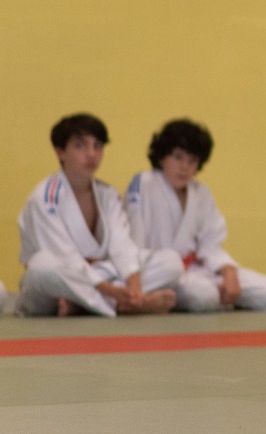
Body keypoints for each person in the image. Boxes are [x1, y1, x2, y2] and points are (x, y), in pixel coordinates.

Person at [16, 113, 182, 317]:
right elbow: (64, 257)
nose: (91, 154)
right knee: (42, 266)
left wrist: (134, 284)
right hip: (56, 286)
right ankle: (118, 305)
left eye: (97, 146)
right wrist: (111, 291)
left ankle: (84, 305)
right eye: (80, 146)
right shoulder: (44, 197)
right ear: (60, 152)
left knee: (171, 262)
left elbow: (121, 244)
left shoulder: (108, 194)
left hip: (97, 277)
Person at [126, 118, 266, 312]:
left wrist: (229, 273)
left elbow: (210, 243)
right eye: (178, 157)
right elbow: (133, 244)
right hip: (163, 272)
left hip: (199, 270)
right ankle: (192, 296)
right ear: (161, 157)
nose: (185, 167)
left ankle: (220, 294)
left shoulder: (200, 193)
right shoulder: (143, 184)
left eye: (192, 160)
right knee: (204, 295)